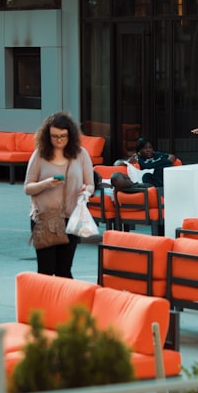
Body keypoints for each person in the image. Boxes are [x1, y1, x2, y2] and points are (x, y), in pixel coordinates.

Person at [24, 111, 95, 278]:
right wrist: (46, 183)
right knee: (45, 271)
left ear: (71, 135)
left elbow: (90, 184)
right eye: (54, 136)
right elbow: (28, 188)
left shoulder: (81, 154)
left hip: (71, 219)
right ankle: (44, 304)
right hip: (45, 219)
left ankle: (64, 304)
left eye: (63, 136)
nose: (59, 140)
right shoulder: (40, 155)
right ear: (47, 136)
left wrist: (86, 191)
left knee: (64, 270)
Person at [110, 137, 177, 191]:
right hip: (156, 180)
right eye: (145, 148)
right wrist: (129, 161)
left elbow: (172, 157)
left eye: (150, 147)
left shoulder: (157, 155)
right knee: (146, 176)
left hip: (168, 176)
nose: (148, 150)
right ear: (139, 150)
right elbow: (117, 163)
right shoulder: (137, 158)